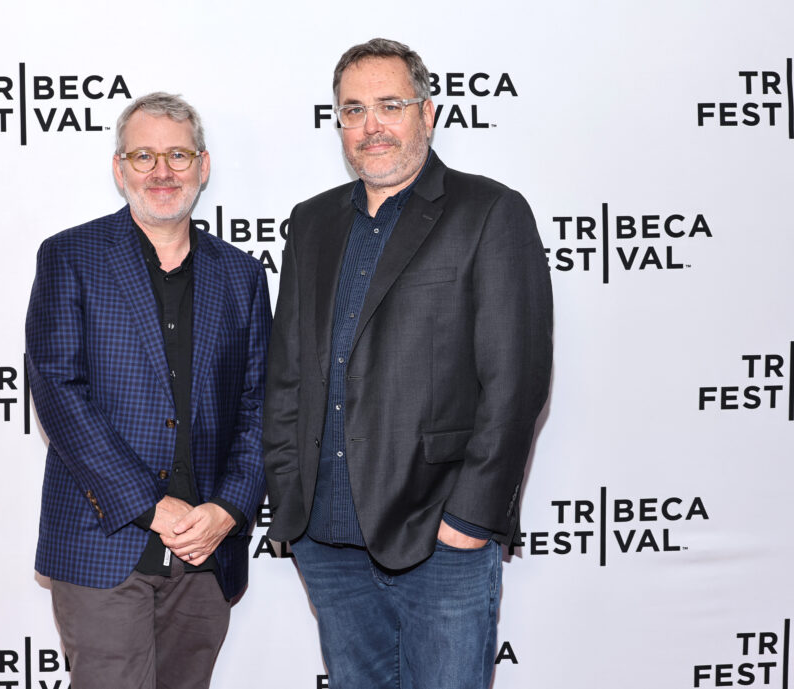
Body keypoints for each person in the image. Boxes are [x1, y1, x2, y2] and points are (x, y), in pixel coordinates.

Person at [263, 39, 553, 689]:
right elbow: (288, 374)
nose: (371, 126)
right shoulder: (311, 223)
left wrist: (472, 517)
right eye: (353, 109)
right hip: (326, 537)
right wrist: (291, 500)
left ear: (427, 113)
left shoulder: (489, 212)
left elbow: (517, 380)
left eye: (390, 105)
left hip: (437, 534)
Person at [26, 92, 270, 689]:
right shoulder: (69, 256)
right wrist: (149, 506)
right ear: (119, 168)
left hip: (206, 553)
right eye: (143, 155)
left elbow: (263, 401)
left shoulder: (241, 273)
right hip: (103, 542)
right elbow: (58, 389)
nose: (162, 171)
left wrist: (229, 508)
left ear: (203, 166)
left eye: (178, 155)